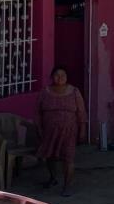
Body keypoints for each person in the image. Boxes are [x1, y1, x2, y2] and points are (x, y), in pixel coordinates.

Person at [36, 66, 87, 196]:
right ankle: (53, 178)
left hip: (69, 131)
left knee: (68, 158)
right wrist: (39, 128)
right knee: (50, 156)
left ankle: (67, 186)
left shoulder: (74, 91)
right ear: (52, 77)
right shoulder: (45, 92)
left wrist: (82, 130)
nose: (60, 78)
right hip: (50, 131)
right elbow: (38, 112)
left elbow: (81, 112)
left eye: (63, 75)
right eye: (57, 75)